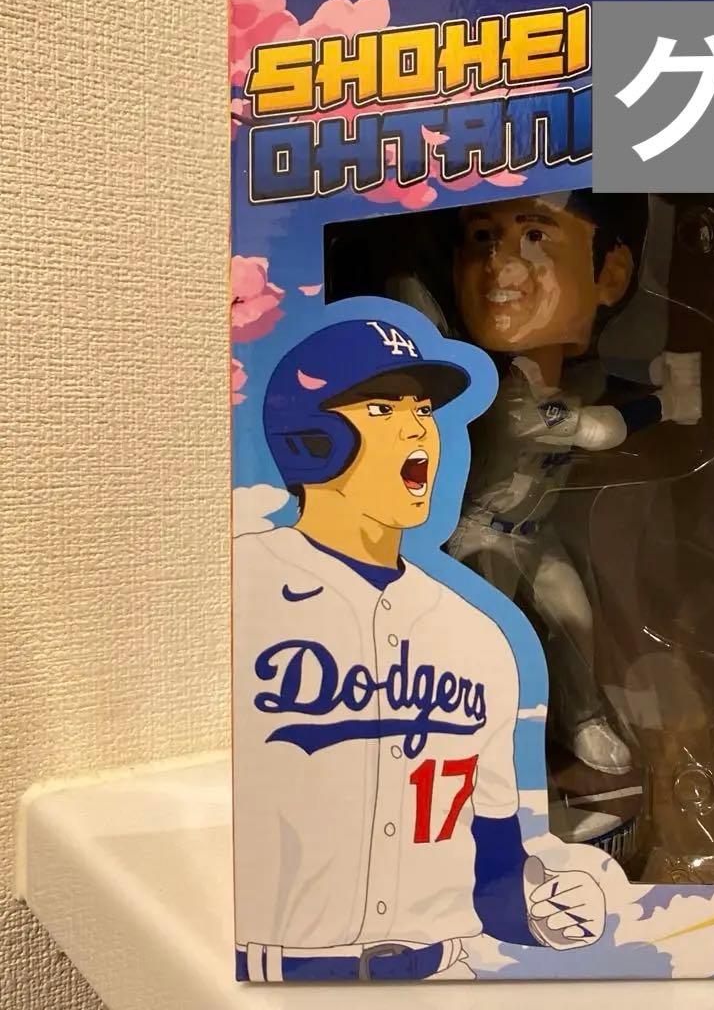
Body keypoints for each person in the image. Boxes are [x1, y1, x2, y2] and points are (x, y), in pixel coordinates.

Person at [233, 314, 605, 983]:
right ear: (312, 438)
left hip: (444, 975)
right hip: (276, 980)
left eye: (423, 411)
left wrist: (541, 913)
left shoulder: (477, 637)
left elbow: (494, 861)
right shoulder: (242, 583)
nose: (418, 430)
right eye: (382, 410)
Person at [448, 191, 702, 776]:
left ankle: (582, 718)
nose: (501, 264)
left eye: (536, 237)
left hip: (536, 535)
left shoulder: (574, 380)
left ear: (610, 275)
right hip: (478, 537)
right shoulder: (507, 399)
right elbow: (600, 429)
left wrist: (661, 379)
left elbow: (601, 389)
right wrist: (668, 403)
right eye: (482, 238)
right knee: (485, 640)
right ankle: (480, 736)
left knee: (575, 620)